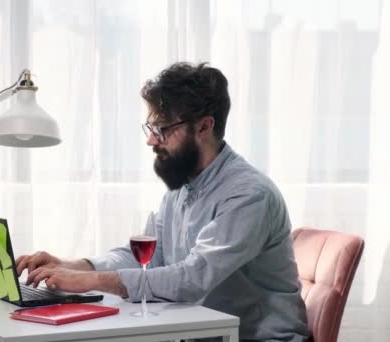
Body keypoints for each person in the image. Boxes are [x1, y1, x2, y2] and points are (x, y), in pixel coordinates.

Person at [16, 62, 309, 341]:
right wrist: (76, 266)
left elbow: (192, 279)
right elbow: (148, 257)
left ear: (205, 126)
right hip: (198, 332)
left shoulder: (247, 195)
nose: (151, 141)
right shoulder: (182, 184)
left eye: (163, 130)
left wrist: (90, 282)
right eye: (151, 129)